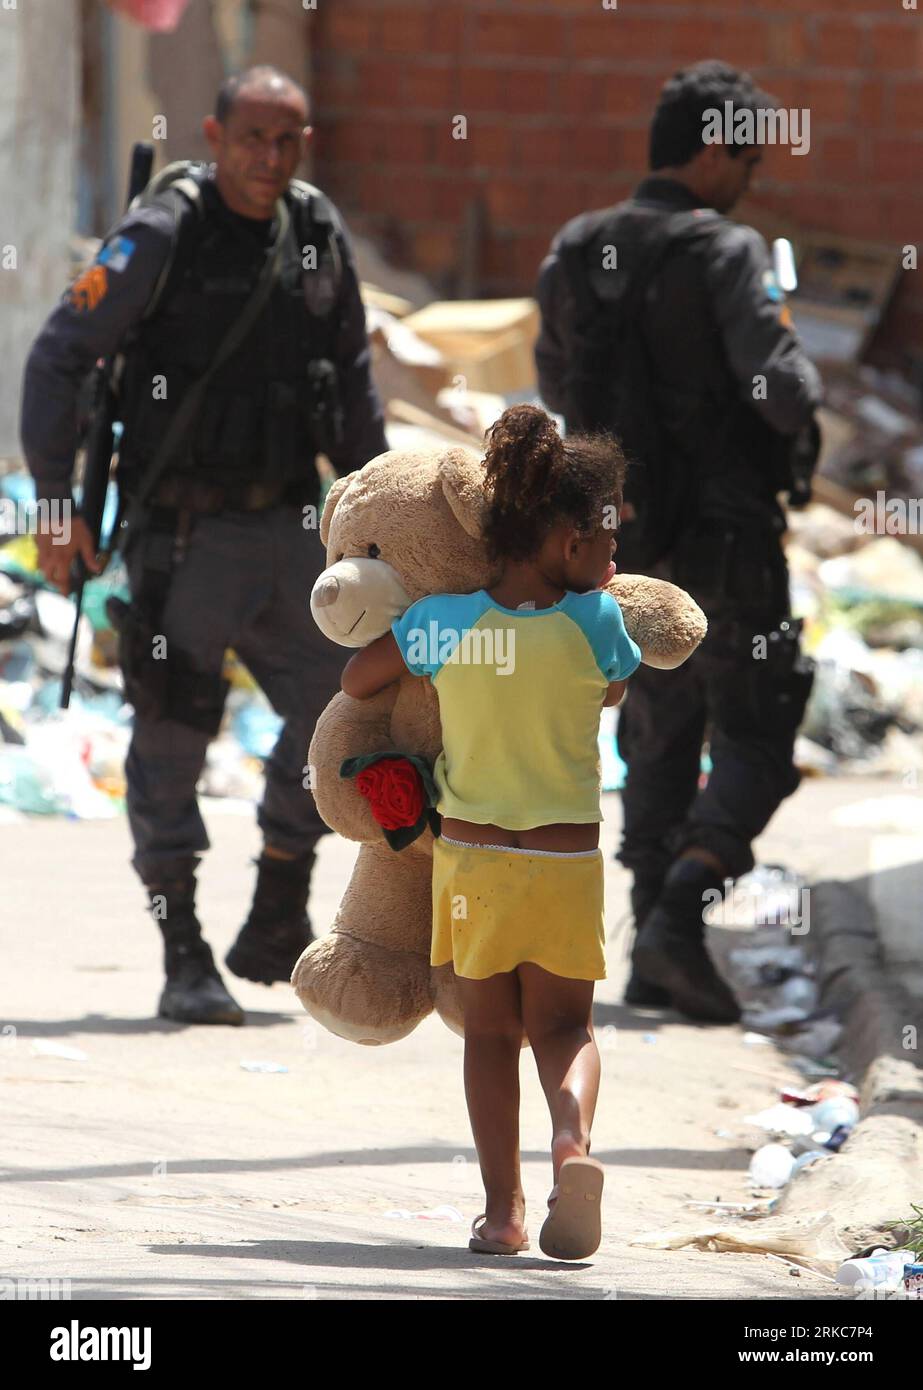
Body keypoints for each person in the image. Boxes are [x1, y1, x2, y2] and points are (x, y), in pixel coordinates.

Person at [21, 66, 388, 1026]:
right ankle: (181, 948)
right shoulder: (162, 230)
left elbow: (350, 384)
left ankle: (276, 901)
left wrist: (384, 530)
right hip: (184, 537)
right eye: (254, 138)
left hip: (292, 527)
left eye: (289, 141)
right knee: (175, 732)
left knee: (336, 717)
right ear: (215, 135)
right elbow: (59, 354)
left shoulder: (314, 233)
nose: (271, 159)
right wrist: (57, 506)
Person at [535, 60, 821, 1024]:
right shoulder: (730, 253)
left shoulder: (576, 248)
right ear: (710, 152)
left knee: (654, 730)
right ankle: (678, 917)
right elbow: (776, 394)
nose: (751, 176)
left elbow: (556, 392)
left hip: (615, 548)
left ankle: (657, 933)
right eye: (744, 156)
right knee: (761, 728)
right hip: (728, 541)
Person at [339, 404, 642, 1261]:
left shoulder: (442, 624)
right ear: (565, 539)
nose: (613, 557)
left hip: (474, 865)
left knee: (488, 1037)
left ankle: (503, 1214)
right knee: (565, 1031)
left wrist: (419, 644)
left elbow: (358, 679)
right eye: (607, 538)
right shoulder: (597, 624)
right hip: (566, 863)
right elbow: (611, 690)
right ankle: (572, 1147)